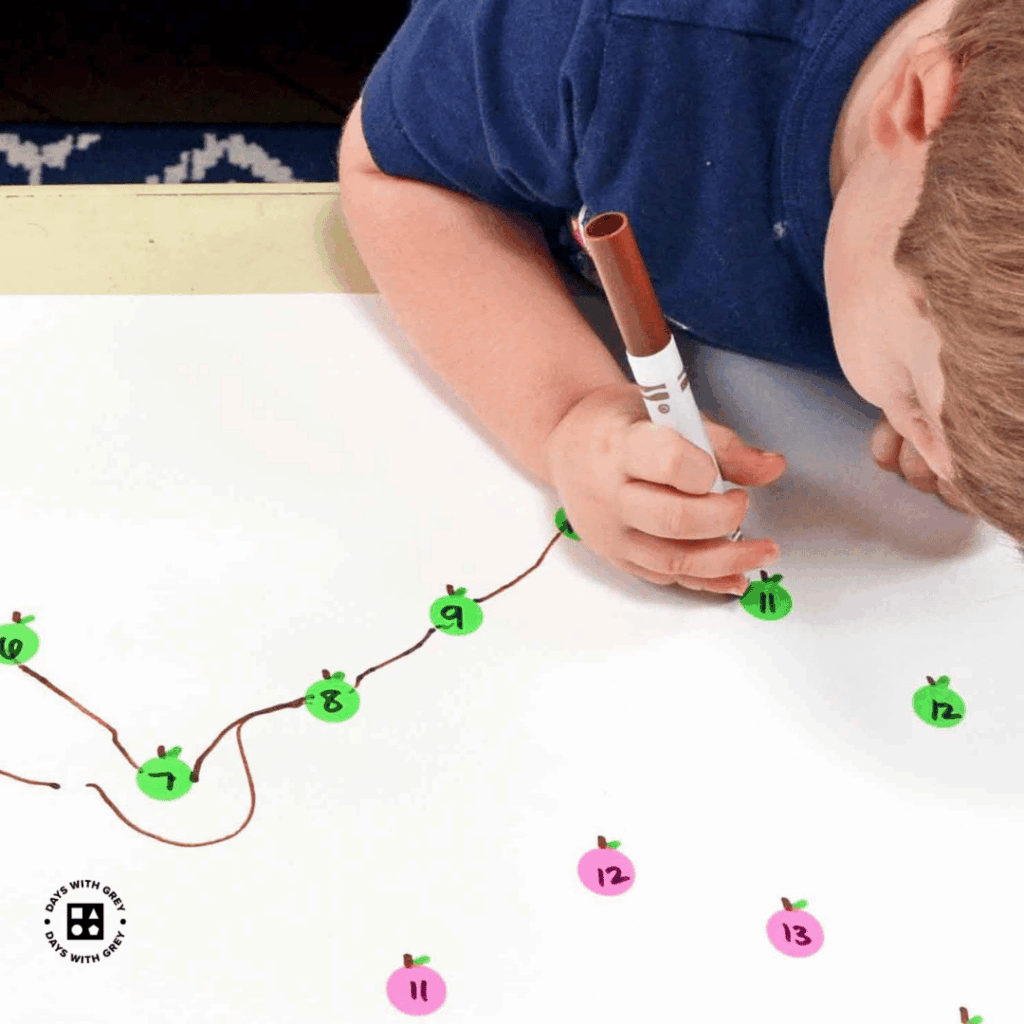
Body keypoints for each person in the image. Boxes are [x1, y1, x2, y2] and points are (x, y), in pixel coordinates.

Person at [339, 0, 1018, 597]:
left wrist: (958, 422)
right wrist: (568, 413)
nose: (938, 462)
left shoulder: (943, 200)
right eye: (913, 400)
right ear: (915, 108)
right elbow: (401, 174)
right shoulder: (605, 33)